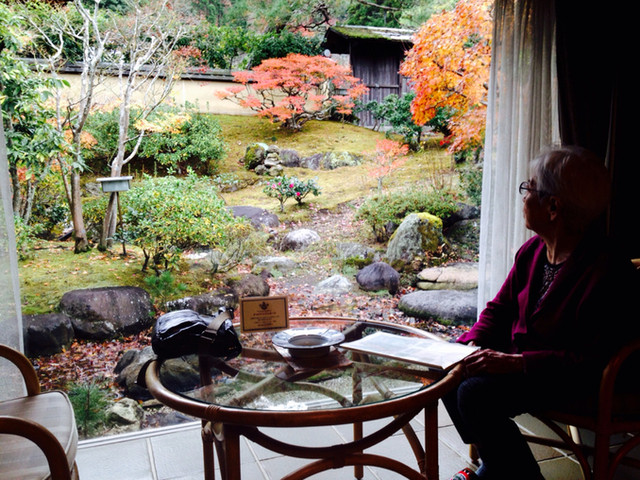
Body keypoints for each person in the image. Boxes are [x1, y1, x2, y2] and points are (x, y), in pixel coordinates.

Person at [444, 145, 639, 480]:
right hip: (530, 366)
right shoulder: (534, 250)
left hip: (573, 379)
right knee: (449, 370)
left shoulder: (606, 271)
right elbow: (501, 308)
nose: (524, 197)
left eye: (529, 188)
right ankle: (499, 465)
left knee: (474, 393)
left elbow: (591, 362)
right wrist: (468, 344)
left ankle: (513, 472)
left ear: (553, 207)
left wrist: (517, 363)